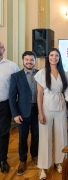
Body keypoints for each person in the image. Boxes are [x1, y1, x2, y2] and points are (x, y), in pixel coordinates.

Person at [34, 48, 68, 179]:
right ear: (48, 57)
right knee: (45, 137)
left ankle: (58, 162)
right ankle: (43, 167)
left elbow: (65, 91)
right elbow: (39, 95)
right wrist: (40, 113)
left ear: (59, 58)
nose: (54, 57)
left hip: (61, 107)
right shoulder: (42, 73)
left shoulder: (62, 72)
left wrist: (67, 109)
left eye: (57, 56)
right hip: (47, 108)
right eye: (52, 55)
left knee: (61, 135)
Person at [9, 51, 39, 175]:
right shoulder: (16, 76)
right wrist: (15, 114)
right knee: (23, 137)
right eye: (27, 59)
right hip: (22, 112)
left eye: (32, 60)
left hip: (38, 111)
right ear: (22, 61)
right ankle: (22, 160)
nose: (29, 62)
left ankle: (35, 155)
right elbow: (12, 97)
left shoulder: (40, 74)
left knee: (36, 136)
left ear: (35, 61)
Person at [0, 42, 19, 174]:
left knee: (3, 132)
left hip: (4, 105)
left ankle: (2, 159)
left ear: (3, 49)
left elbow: (20, 84)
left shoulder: (12, 66)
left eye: (0, 47)